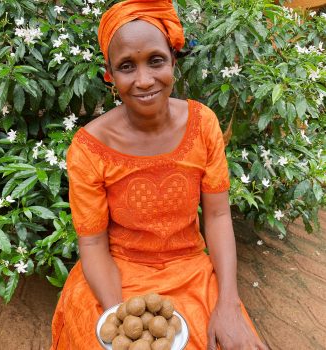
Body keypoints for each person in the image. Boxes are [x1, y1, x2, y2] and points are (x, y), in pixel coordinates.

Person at [51, 1, 268, 349]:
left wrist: (228, 303)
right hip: (116, 276)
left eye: (155, 60)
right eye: (126, 66)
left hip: (191, 271)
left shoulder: (203, 125)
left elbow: (218, 214)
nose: (144, 80)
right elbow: (92, 243)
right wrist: (122, 321)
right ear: (110, 76)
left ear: (173, 59)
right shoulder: (89, 147)